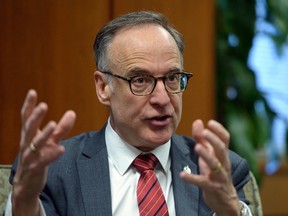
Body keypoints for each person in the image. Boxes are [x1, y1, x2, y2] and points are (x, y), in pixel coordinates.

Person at [6, 11, 253, 216]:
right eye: (141, 80)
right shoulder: (56, 171)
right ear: (104, 88)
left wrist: (230, 208)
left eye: (172, 78)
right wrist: (25, 202)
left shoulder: (219, 170)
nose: (163, 98)